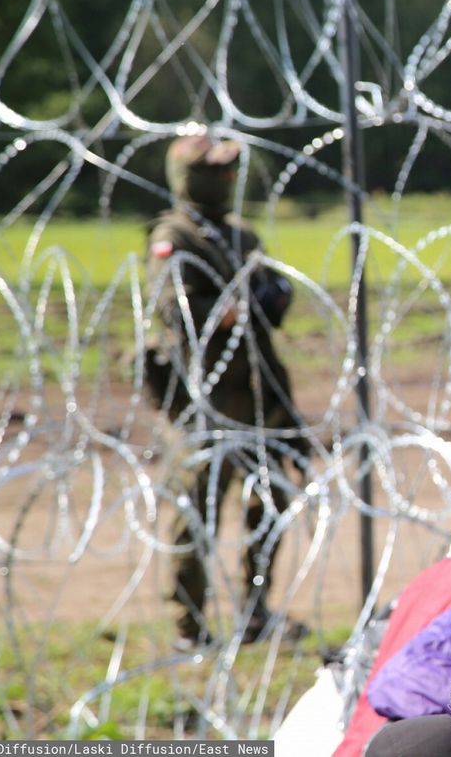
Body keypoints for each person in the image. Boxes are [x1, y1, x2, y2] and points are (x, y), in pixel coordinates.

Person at [146, 132, 309, 649]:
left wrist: (258, 301)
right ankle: (189, 627)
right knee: (198, 509)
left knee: (270, 499)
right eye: (218, 174)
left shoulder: (240, 236)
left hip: (256, 390)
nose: (228, 182)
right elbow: (185, 311)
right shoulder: (175, 235)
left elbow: (273, 299)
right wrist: (239, 305)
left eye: (231, 173)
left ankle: (255, 613)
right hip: (205, 395)